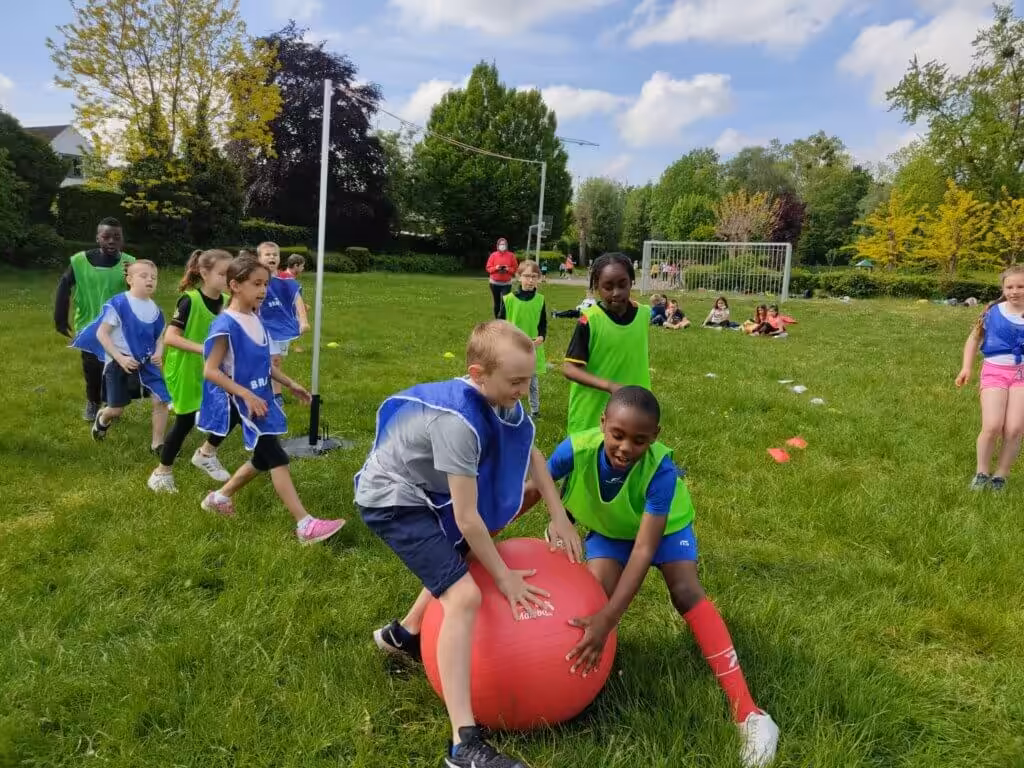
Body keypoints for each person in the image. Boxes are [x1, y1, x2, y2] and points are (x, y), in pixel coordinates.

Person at [355, 320, 581, 768]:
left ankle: (404, 636)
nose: (524, 390)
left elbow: (531, 449)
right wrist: (505, 578)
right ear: (478, 374)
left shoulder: (504, 400)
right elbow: (467, 519)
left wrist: (559, 516)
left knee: (458, 556)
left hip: (430, 490)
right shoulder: (457, 422)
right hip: (394, 500)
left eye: (529, 381)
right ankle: (463, 745)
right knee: (464, 595)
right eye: (516, 382)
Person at [519, 386, 780, 768]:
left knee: (685, 591)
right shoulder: (576, 449)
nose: (626, 448)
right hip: (611, 531)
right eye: (618, 435)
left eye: (640, 440)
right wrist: (482, 535)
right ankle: (581, 680)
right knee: (593, 597)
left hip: (663, 531)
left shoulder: (661, 471)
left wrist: (611, 619)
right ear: (603, 423)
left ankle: (749, 713)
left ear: (654, 437)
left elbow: (644, 551)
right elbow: (533, 488)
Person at [197, 254, 345, 545]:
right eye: (256, 284)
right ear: (235, 285)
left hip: (261, 398)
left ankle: (219, 497)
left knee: (262, 459)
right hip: (242, 402)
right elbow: (210, 371)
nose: (263, 290)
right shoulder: (226, 325)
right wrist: (246, 394)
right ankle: (305, 524)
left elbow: (263, 363)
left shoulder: (254, 318)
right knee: (277, 456)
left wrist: (290, 384)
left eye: (265, 284)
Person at [147, 249, 235, 493]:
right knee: (185, 421)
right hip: (186, 369)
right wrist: (205, 349)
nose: (227, 278)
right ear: (204, 273)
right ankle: (161, 473)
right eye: (222, 273)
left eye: (230, 273)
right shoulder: (189, 300)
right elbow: (172, 338)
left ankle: (207, 453)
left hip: (214, 369)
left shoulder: (227, 301)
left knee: (234, 408)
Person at [70, 260, 169, 452]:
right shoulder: (119, 303)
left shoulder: (156, 310)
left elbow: (159, 337)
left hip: (146, 363)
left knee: (161, 399)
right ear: (129, 279)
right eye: (144, 276)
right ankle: (102, 418)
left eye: (154, 277)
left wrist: (159, 352)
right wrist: (120, 358)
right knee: (116, 409)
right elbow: (102, 334)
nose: (150, 280)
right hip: (119, 363)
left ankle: (158, 444)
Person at [54, 217, 136, 421]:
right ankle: (92, 402)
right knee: (92, 367)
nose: (111, 241)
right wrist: (60, 318)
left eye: (116, 237)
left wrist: (132, 280)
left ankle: (112, 405)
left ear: (122, 240)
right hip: (89, 326)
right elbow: (64, 286)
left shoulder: (130, 263)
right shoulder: (80, 261)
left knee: (115, 367)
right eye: (106, 237)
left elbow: (141, 294)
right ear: (98, 238)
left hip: (117, 327)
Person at [562, 252, 651, 434]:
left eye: (622, 284)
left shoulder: (644, 314)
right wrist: (610, 386)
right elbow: (569, 368)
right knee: (589, 459)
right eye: (608, 287)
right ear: (597, 287)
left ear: (632, 281)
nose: (616, 293)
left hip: (633, 410)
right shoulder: (590, 321)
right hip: (591, 414)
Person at [955, 265, 1024, 491]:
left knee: (1014, 429)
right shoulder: (992, 311)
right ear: (1003, 288)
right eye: (1010, 286)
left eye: (1021, 286)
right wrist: (966, 368)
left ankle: (1000, 476)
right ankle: (982, 472)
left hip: (1021, 377)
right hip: (995, 372)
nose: (1015, 291)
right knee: (992, 426)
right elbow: (974, 339)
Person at [256, 242, 309, 403]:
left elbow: (297, 299)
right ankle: (270, 393)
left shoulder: (286, 278)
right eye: (268, 254)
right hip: (260, 324)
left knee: (276, 361)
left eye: (275, 255)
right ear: (259, 258)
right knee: (270, 359)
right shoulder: (254, 277)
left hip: (281, 326)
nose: (272, 257)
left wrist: (303, 321)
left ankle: (275, 394)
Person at [498, 260, 547, 417]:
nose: (530, 280)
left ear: (538, 278)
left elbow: (543, 323)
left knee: (532, 382)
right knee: (511, 379)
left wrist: (541, 337)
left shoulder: (540, 300)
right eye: (526, 276)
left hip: (532, 348)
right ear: (519, 277)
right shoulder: (509, 299)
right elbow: (500, 323)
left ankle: (535, 410)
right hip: (512, 348)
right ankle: (507, 407)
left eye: (534, 276)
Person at [485, 238, 517, 319]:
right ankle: (497, 319)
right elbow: (488, 268)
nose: (502, 246)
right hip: (494, 283)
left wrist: (508, 269)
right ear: (498, 245)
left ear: (506, 245)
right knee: (497, 303)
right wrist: (496, 268)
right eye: (501, 244)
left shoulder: (511, 255)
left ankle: (502, 319)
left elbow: (515, 269)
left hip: (506, 284)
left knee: (505, 302)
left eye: (504, 244)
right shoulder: (493, 255)